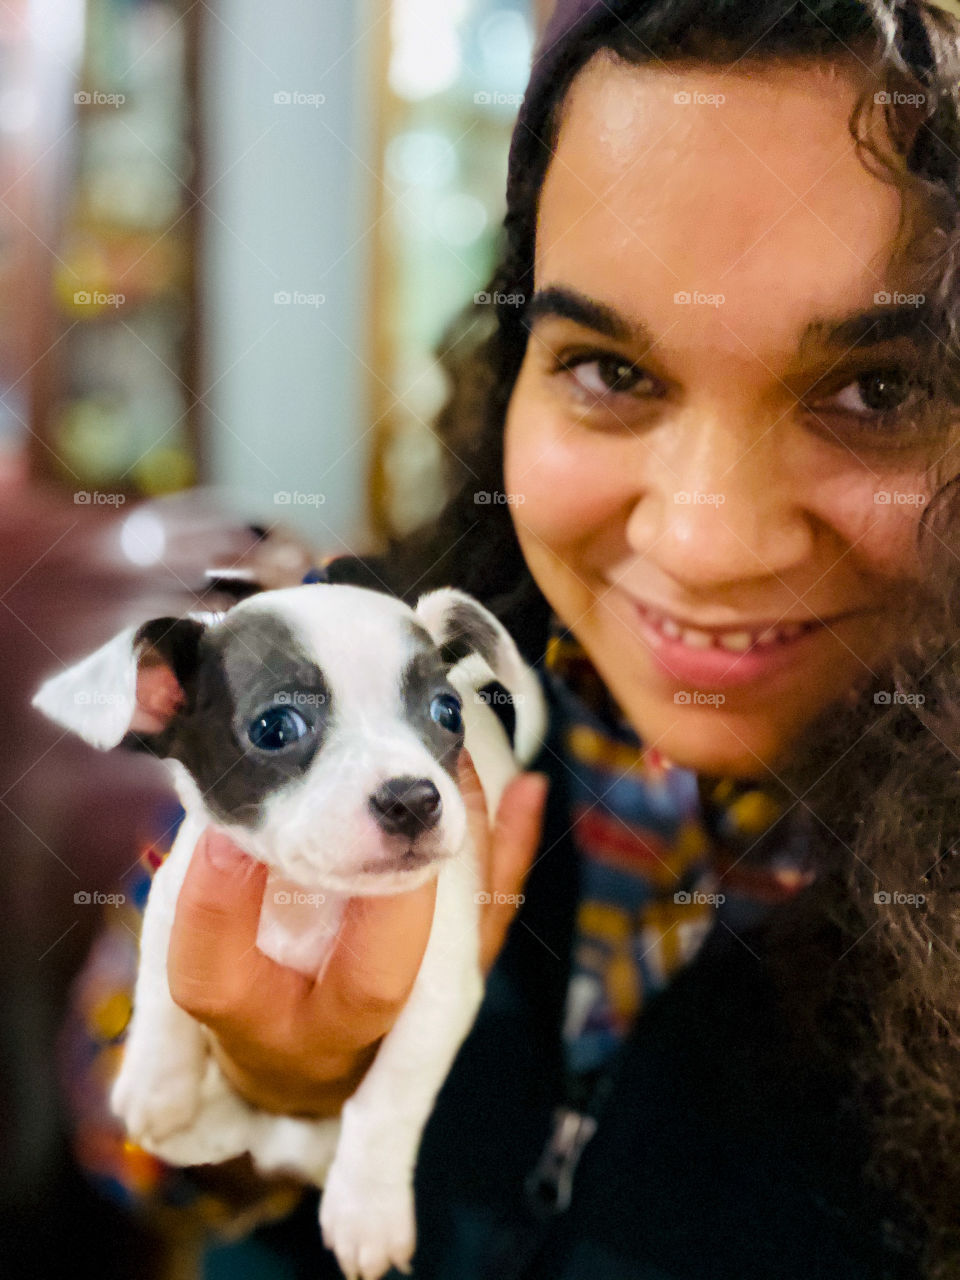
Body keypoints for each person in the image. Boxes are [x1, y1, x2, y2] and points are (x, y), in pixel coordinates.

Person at [63, 1, 960, 1277]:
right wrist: (280, 1097)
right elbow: (114, 1131)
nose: (704, 540)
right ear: (513, 359)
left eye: (882, 389)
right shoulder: (359, 650)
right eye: (612, 370)